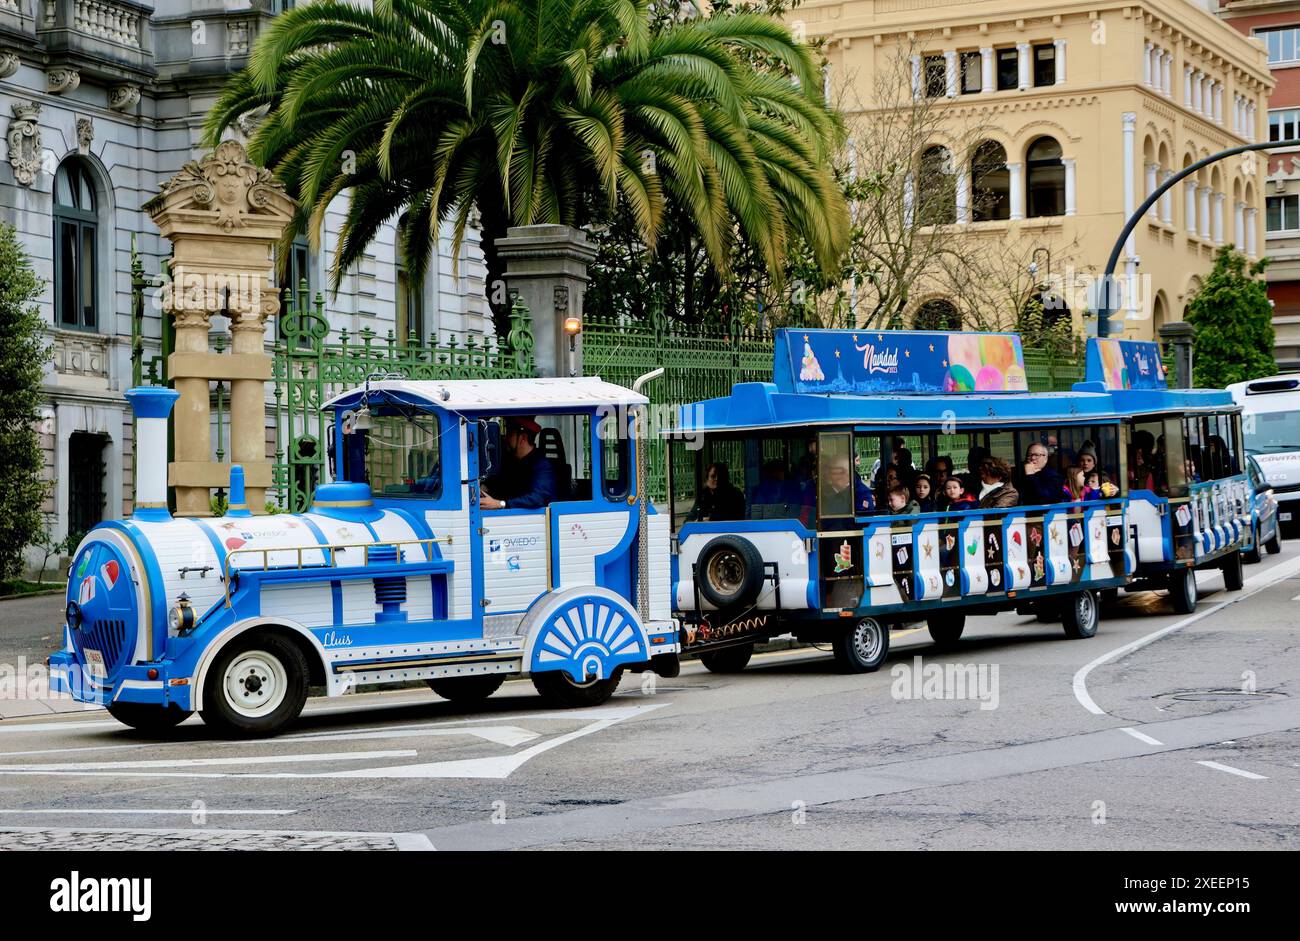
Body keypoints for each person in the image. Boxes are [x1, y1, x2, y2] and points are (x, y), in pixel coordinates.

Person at [480, 416, 559, 510]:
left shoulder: (542, 466)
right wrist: (485, 487)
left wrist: (501, 504)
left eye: (510, 434)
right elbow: (501, 482)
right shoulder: (511, 462)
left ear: (522, 438)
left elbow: (538, 498)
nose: (506, 439)